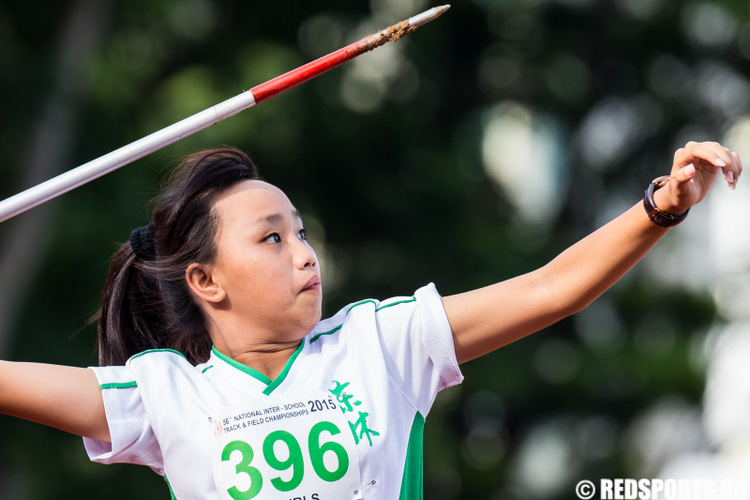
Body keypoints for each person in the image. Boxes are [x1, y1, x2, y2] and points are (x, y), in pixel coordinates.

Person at [0, 141, 741, 499]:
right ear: (205, 280)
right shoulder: (164, 396)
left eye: (299, 231)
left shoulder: (381, 340)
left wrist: (659, 209)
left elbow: (552, 290)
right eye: (271, 238)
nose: (304, 255)